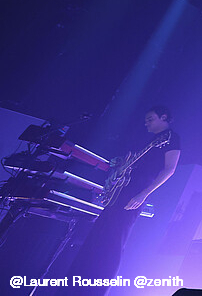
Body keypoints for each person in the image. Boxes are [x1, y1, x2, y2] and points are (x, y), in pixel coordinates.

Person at [64, 106, 180, 292]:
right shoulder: (149, 140)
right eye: (146, 120)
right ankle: (79, 284)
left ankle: (99, 289)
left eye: (150, 119)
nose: (146, 123)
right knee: (99, 235)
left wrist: (144, 194)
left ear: (164, 117)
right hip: (121, 191)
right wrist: (120, 164)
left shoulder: (171, 138)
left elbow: (169, 170)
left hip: (135, 193)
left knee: (115, 240)